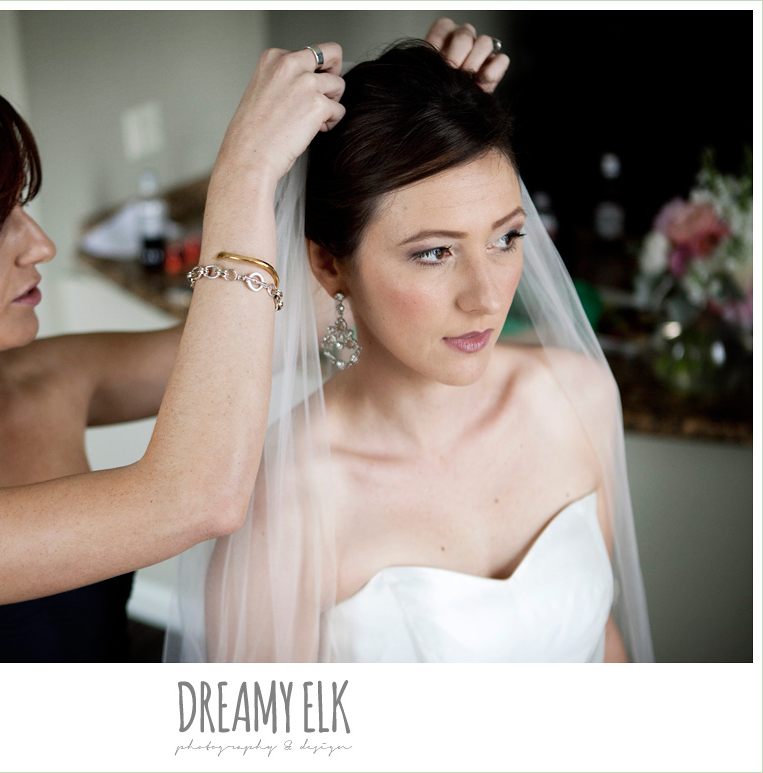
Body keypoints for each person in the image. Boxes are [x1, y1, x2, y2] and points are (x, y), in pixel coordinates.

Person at [0, 41, 348, 662]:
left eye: (16, 204)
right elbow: (197, 499)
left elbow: (276, 327)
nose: (40, 246)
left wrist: (435, 127)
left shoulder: (47, 378)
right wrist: (243, 174)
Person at [165, 26, 655, 662]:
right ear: (328, 264)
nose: (486, 297)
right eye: (433, 252)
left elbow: (604, 644)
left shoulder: (577, 398)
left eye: (505, 238)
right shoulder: (285, 506)